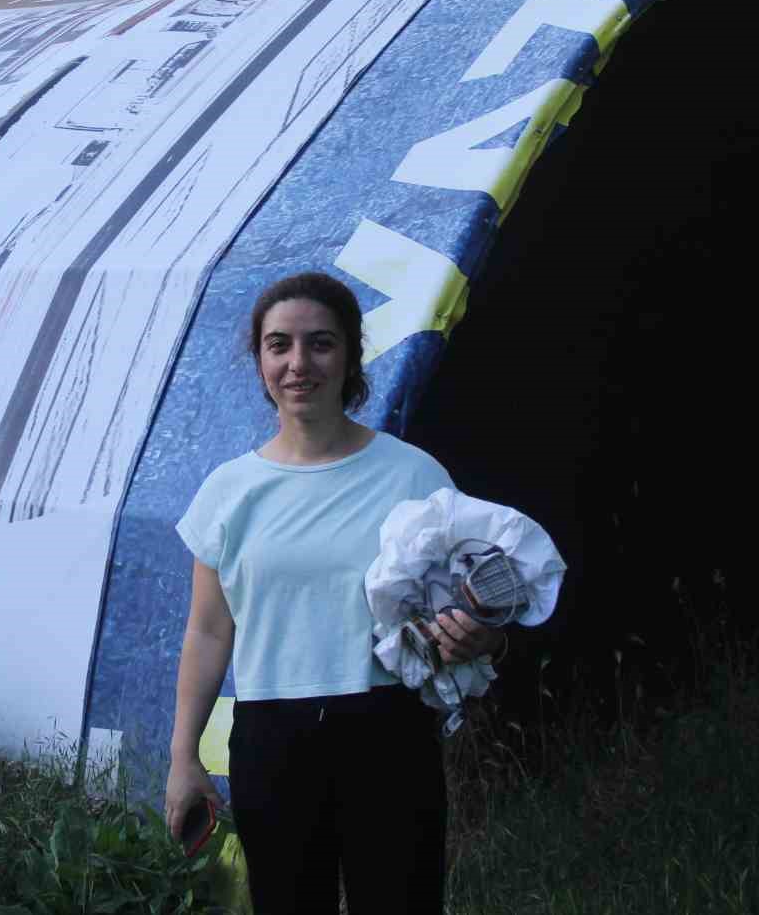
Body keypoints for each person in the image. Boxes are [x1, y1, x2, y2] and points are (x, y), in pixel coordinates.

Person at [164, 271, 505, 914]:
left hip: (389, 733)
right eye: (279, 345)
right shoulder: (227, 491)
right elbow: (209, 632)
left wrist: (482, 635)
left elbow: (471, 602)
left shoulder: (413, 474)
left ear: (351, 353)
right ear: (260, 359)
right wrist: (184, 758)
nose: (299, 363)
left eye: (320, 343)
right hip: (272, 739)